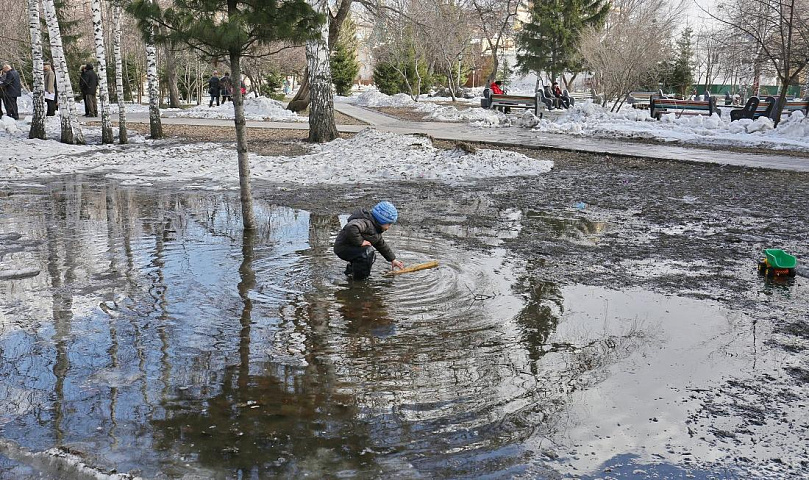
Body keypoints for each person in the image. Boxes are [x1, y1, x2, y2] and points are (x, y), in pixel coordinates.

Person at [334, 201, 405, 280]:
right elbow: (351, 227)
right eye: (389, 224)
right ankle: (360, 281)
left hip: (353, 249)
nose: (389, 227)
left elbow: (381, 245)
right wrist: (360, 242)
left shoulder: (375, 228)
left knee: (369, 255)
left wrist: (393, 259)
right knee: (367, 253)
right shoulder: (366, 223)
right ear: (382, 220)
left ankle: (350, 273)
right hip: (344, 248)